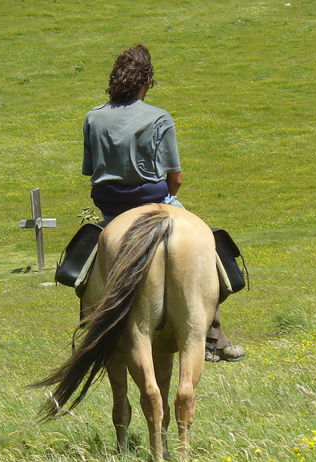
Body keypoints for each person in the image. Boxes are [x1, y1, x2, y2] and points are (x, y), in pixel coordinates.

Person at [81, 44, 245, 362]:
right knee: (209, 249)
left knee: (82, 266)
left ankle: (88, 328)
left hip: (111, 210)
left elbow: (91, 171)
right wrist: (168, 200)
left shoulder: (93, 118)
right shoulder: (159, 117)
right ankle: (212, 335)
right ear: (147, 82)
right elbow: (176, 177)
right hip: (155, 200)